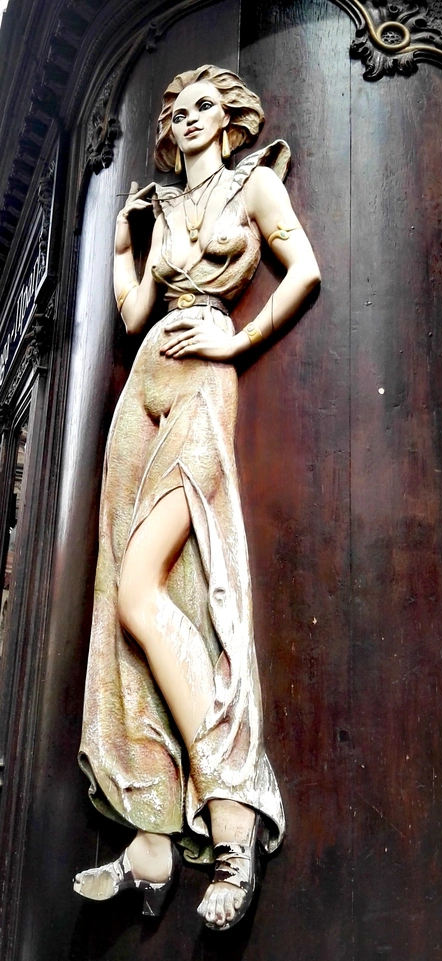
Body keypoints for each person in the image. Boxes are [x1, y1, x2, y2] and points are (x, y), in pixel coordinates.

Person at [73, 64, 320, 931]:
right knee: (125, 594)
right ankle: (149, 834)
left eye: (203, 105)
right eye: (176, 110)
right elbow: (133, 310)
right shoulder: (165, 206)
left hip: (202, 379)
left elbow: (303, 269)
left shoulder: (253, 185)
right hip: (143, 385)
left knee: (150, 592)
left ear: (230, 118)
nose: (186, 117)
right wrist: (122, 247)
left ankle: (232, 819)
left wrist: (236, 340)